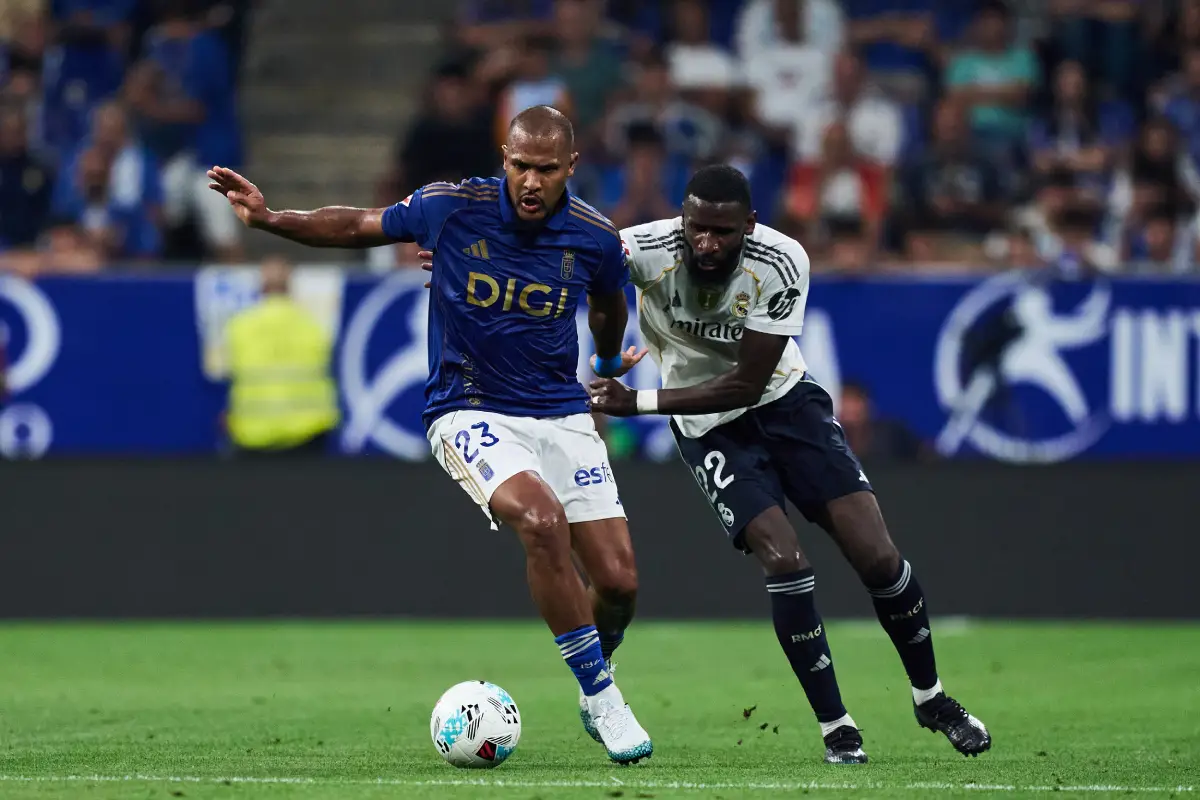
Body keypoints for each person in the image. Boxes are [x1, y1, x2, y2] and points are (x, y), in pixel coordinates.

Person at [206, 106, 653, 765]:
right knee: (540, 520)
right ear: (504, 158)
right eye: (520, 166)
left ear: (571, 168)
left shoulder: (592, 236)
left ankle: (591, 665)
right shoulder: (451, 207)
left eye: (547, 170)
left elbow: (611, 303)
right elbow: (359, 225)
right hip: (468, 407)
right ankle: (604, 693)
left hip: (561, 412)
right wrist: (273, 219)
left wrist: (610, 363)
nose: (531, 182)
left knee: (618, 584)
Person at [588, 164, 991, 764]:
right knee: (785, 558)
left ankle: (931, 697)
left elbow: (747, 382)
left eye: (723, 232)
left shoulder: (782, 260)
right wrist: (602, 350)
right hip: (708, 430)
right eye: (696, 228)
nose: (706, 243)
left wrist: (637, 401)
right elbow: (578, 259)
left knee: (878, 557)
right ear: (682, 219)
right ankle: (836, 725)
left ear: (749, 226)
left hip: (784, 404)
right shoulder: (644, 247)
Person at [222, 256, 339, 458]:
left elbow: (223, 371)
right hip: (308, 433)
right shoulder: (315, 325)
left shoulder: (238, 326)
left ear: (261, 286)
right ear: (290, 286)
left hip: (253, 434)